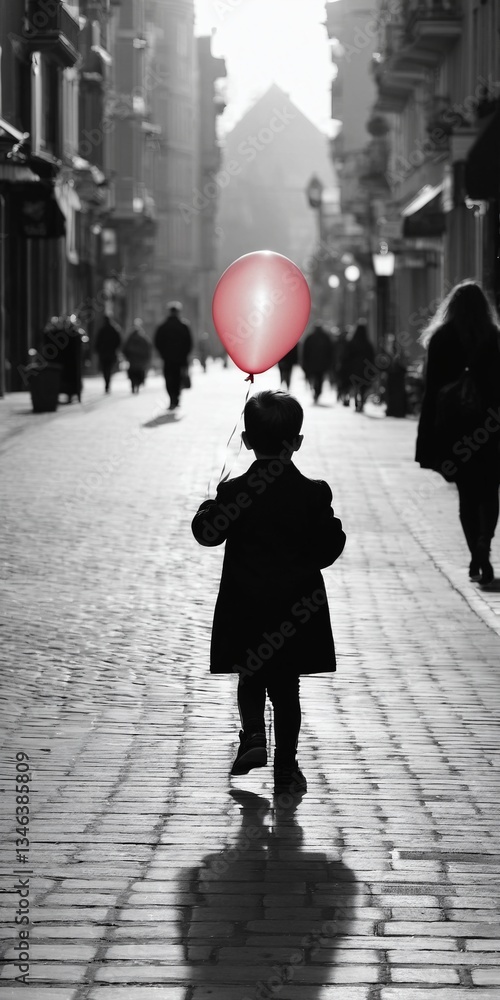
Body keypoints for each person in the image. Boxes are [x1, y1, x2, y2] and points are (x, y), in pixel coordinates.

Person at [191, 390, 346, 795]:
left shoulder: (236, 492)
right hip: (295, 608)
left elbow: (208, 535)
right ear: (296, 442)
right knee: (286, 689)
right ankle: (286, 766)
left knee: (250, 675)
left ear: (246, 440)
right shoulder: (313, 493)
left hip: (246, 606)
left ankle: (254, 737)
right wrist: (333, 528)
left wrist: (208, 507)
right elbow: (327, 551)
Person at [416, 280, 500, 588]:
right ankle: (484, 543)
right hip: (489, 428)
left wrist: (426, 437)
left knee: (467, 495)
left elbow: (431, 392)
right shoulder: (493, 337)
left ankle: (475, 554)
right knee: (490, 490)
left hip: (454, 430)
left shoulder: (441, 339)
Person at [154, 301, 192, 410]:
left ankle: (172, 399)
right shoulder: (184, 326)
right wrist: (185, 354)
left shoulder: (163, 327)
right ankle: (177, 398)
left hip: (168, 359)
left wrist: (163, 353)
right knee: (178, 378)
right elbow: (189, 343)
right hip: (180, 359)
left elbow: (157, 342)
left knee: (169, 379)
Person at [344, 320, 375, 412]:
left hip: (354, 368)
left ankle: (357, 401)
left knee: (356, 385)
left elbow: (347, 356)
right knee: (363, 386)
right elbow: (371, 357)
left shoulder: (352, 343)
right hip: (365, 368)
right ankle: (362, 402)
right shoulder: (368, 344)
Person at [302, 322, 334, 403]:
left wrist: (304, 362)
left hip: (311, 363)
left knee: (312, 377)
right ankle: (318, 392)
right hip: (322, 364)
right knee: (320, 378)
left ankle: (315, 391)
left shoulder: (310, 338)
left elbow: (305, 351)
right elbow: (330, 351)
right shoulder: (325, 338)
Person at [123, 319, 152, 393]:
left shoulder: (130, 338)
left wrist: (127, 356)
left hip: (132, 359)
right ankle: (138, 384)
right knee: (139, 372)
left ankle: (133, 384)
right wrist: (147, 357)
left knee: (132, 372)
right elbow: (148, 348)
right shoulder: (143, 338)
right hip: (140, 360)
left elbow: (125, 348)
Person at [94, 315, 121, 394]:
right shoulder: (113, 329)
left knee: (105, 369)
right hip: (111, 353)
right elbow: (118, 341)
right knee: (108, 369)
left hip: (104, 353)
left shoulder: (102, 330)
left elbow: (98, 341)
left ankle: (107, 383)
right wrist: (115, 348)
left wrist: (98, 349)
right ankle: (107, 383)